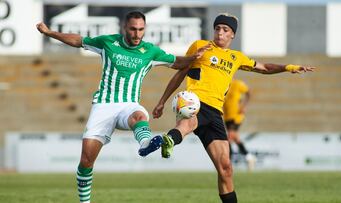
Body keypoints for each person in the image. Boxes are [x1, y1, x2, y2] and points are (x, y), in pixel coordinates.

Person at [36, 11, 208, 203]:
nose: (137, 34)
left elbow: (177, 63)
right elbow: (79, 40)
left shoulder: (150, 51)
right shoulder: (107, 42)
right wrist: (50, 33)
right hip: (103, 106)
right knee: (86, 161)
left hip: (128, 105)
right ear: (124, 28)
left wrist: (194, 57)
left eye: (141, 30)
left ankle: (145, 144)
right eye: (133, 29)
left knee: (140, 115)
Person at [152, 13, 315, 203]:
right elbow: (181, 73)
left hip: (216, 113)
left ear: (232, 35)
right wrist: (162, 101)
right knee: (190, 119)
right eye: (217, 28)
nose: (220, 33)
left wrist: (288, 67)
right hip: (195, 101)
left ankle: (171, 139)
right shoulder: (200, 46)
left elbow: (265, 67)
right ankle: (170, 139)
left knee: (226, 169)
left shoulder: (236, 57)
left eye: (225, 30)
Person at [223, 79, 256, 170]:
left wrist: (244, 106)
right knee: (235, 138)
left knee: (229, 137)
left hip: (237, 115)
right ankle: (249, 157)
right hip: (227, 117)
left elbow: (249, 93)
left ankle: (228, 162)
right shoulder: (222, 85)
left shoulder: (237, 84)